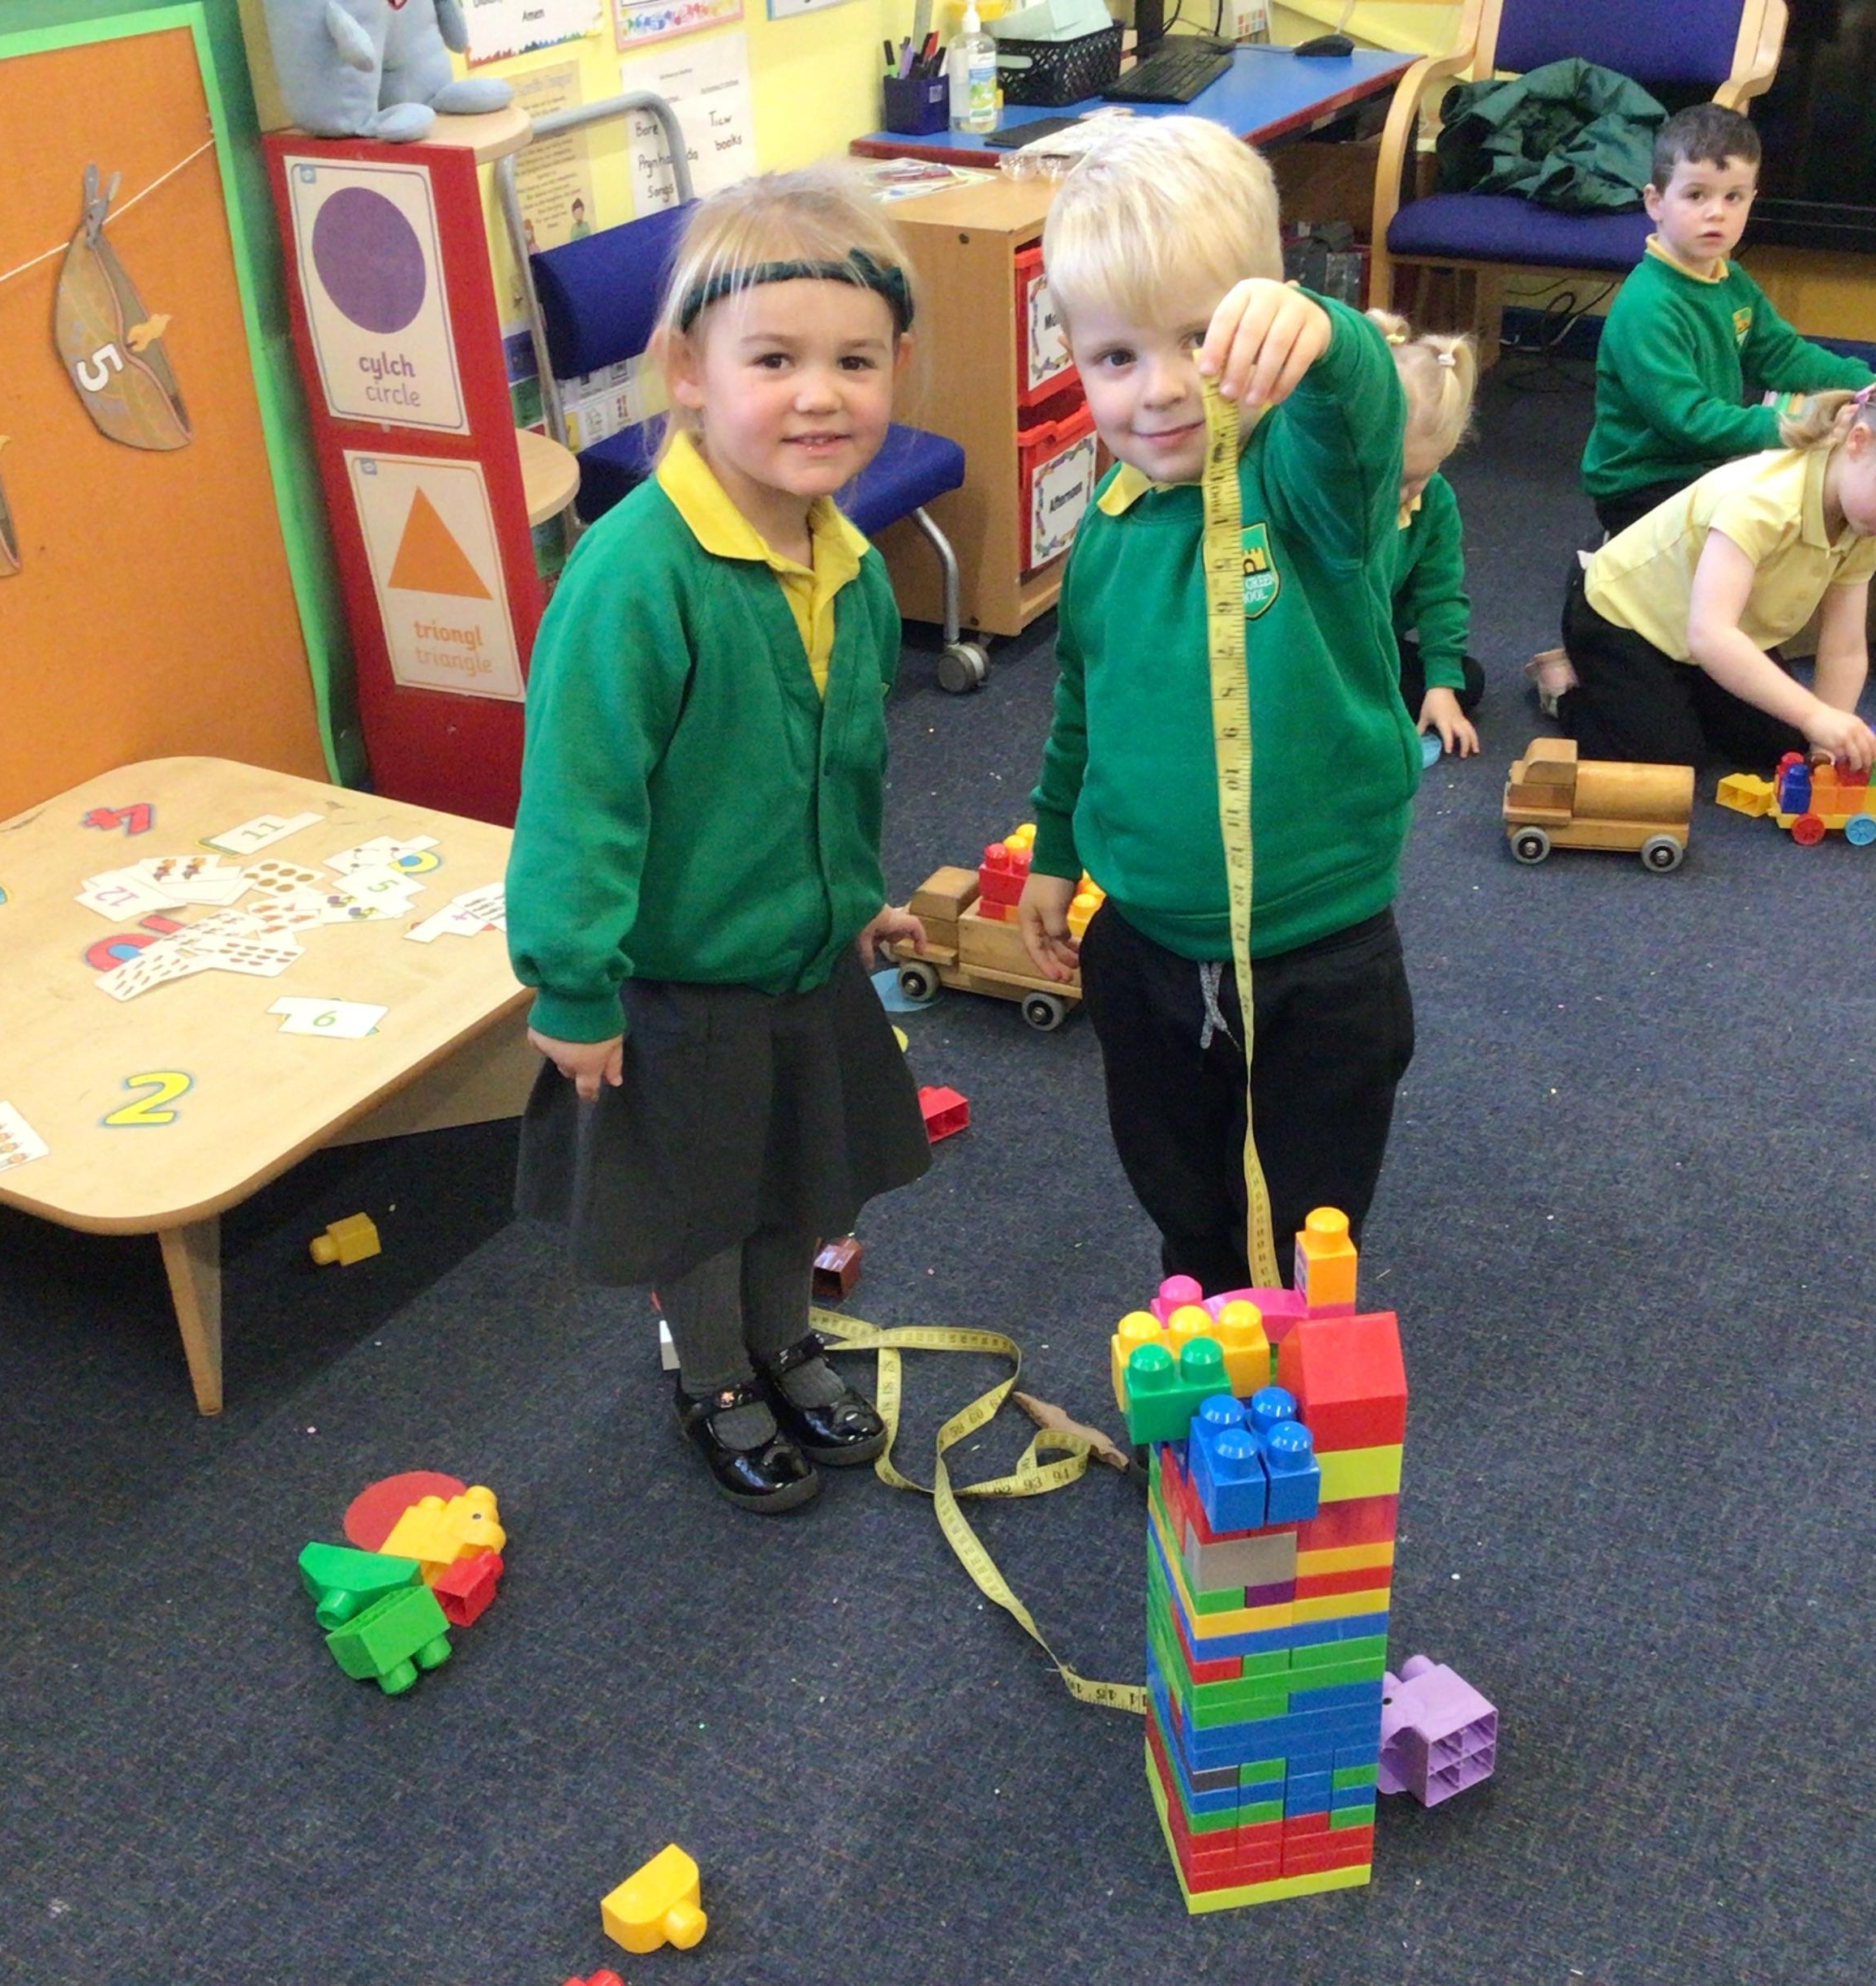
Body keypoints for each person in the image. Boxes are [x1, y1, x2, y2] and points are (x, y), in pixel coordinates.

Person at [506, 168, 930, 1514]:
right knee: (697, 1200)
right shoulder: (634, 576)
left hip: (801, 962)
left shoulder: (849, 561)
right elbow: (578, 798)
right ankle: (712, 1373)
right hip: (682, 983)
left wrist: (853, 900)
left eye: (854, 360)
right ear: (688, 371)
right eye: (774, 359)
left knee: (800, 1174)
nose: (820, 395)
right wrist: (573, 983)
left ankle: (784, 1338)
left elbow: (840, 769)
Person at [1015, 117, 1419, 1292]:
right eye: (1116, 356)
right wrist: (1055, 850)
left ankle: (1298, 1338)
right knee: (1180, 1184)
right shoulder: (1109, 530)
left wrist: (1326, 336)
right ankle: (1204, 1303)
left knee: (1315, 1206)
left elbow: (1362, 417)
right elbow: (1083, 705)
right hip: (1143, 937)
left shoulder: (1307, 486)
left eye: (1201, 337)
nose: (1160, 390)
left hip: (1319, 947)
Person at [1531, 104, 1876, 711]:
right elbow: (1686, 421)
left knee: (1733, 634)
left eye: (1733, 197)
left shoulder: (1730, 281)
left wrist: (1869, 382)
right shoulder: (1648, 305)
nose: (1716, 213)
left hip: (1706, 471)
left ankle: (1698, 661)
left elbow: (1784, 356)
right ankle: (1575, 665)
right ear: (1655, 201)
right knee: (1714, 578)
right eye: (1696, 195)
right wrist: (1788, 427)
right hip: (1645, 482)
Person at [1557, 364, 1876, 773]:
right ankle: (1567, 689)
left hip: (1717, 633)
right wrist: (1815, 715)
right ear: (1859, 442)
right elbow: (1711, 635)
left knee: (1785, 745)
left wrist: (1825, 743)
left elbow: (1843, 647)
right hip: (1623, 621)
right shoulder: (1764, 503)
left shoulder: (1870, 524)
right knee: (1670, 765)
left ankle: (1673, 695)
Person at [1369, 307, 1484, 760]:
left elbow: (1440, 596)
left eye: (1417, 478)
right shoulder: (1329, 497)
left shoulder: (1435, 501)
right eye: (1390, 476)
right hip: (1308, 652)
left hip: (1374, 647)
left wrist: (1441, 686)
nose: (1400, 494)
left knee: (1465, 681)